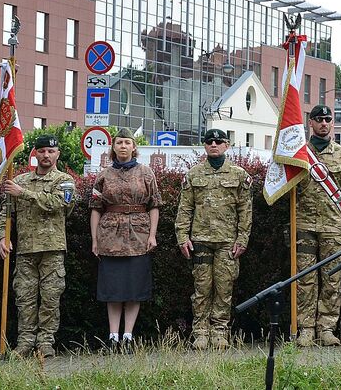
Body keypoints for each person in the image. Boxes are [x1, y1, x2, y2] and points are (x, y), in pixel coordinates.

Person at [0, 135, 77, 358]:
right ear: (35, 153)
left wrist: (23, 193)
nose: (46, 155)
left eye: (51, 151)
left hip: (52, 249)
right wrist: (3, 237)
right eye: (41, 151)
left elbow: (58, 203)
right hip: (25, 250)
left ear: (58, 154)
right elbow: (6, 214)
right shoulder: (19, 180)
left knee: (50, 298)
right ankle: (24, 343)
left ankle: (45, 343)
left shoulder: (65, 181)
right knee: (25, 299)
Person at [175, 129, 253, 350]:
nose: (214, 145)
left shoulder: (239, 175)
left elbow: (245, 210)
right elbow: (185, 209)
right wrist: (182, 237)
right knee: (201, 288)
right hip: (200, 240)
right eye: (209, 141)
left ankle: (220, 332)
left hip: (227, 242)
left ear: (226, 145)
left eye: (219, 141)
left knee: (224, 288)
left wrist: (242, 239)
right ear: (205, 145)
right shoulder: (194, 174)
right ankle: (200, 333)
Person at [293, 105, 341, 347]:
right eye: (318, 119)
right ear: (310, 123)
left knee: (332, 279)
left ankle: (327, 328)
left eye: (327, 119)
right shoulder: (297, 154)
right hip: (304, 225)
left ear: (332, 123)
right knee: (305, 279)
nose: (323, 123)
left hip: (334, 226)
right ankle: (306, 328)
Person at [90, 128, 161, 351]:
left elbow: (154, 205)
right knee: (113, 290)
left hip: (138, 237)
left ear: (134, 147)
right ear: (113, 147)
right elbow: (95, 208)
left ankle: (128, 336)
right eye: (119, 142)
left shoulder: (146, 173)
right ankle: (113, 337)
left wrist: (152, 235)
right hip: (110, 238)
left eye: (127, 142)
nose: (123, 146)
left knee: (133, 290)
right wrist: (94, 239)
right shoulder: (103, 175)